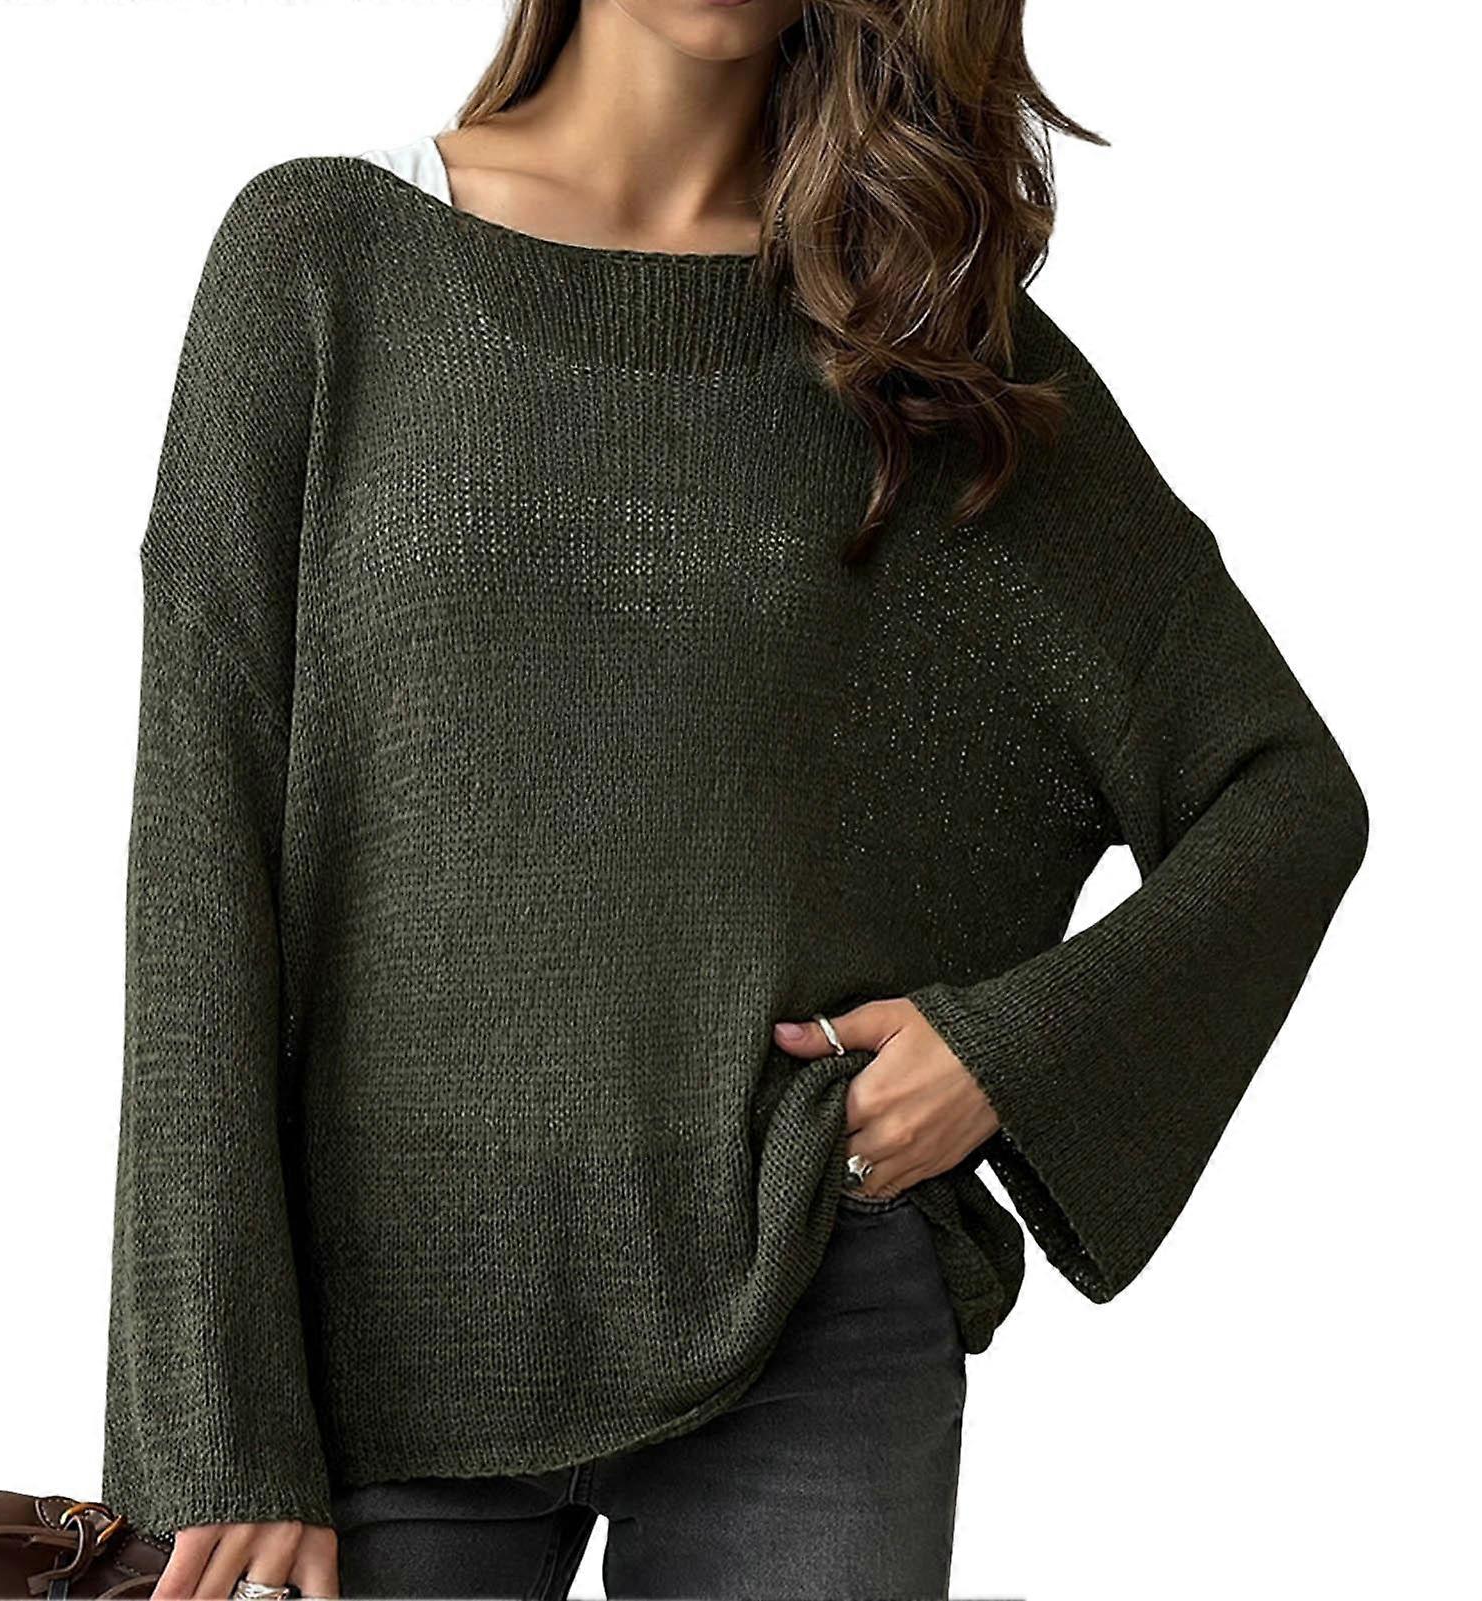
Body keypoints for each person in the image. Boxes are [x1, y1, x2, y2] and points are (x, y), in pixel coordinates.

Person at [101, 2, 1370, 1597]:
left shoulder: (921, 350)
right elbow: (199, 858)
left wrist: (1005, 1050)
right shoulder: (322, 259)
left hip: (808, 1299)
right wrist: (217, 1418)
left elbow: (1279, 791)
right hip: (377, 1336)